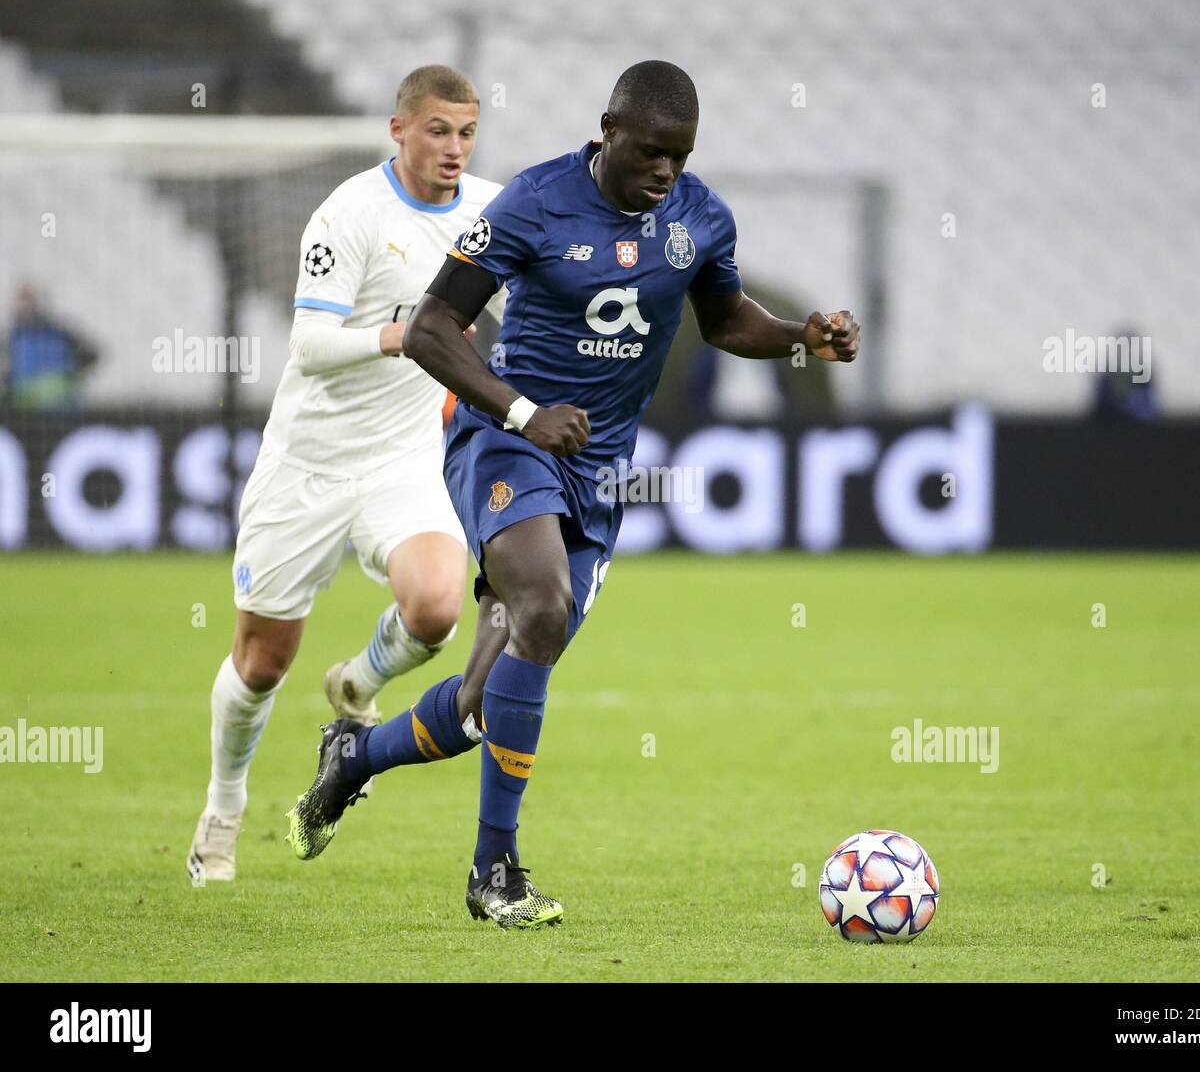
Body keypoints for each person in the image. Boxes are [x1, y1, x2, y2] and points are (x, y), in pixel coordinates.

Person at [286, 61, 858, 928]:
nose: (666, 171)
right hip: (504, 440)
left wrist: (800, 340)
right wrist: (520, 410)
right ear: (607, 131)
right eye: (652, 152)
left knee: (483, 704)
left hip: (599, 473)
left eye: (681, 155)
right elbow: (435, 329)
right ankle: (495, 875)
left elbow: (727, 320)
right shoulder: (534, 202)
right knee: (542, 612)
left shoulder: (698, 217)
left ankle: (356, 757)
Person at [186, 65, 505, 884]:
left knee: (436, 607)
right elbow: (310, 347)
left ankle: (357, 683)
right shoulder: (349, 214)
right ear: (398, 129)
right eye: (438, 131)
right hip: (309, 465)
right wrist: (408, 337)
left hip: (403, 459)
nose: (454, 149)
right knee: (260, 663)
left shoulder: (490, 211)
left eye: (467, 133)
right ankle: (224, 807)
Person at [3, 283, 98, 410]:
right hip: (27, 412)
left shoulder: (60, 332)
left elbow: (91, 354)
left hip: (62, 409)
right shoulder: (12, 338)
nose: (26, 308)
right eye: (22, 303)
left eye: (29, 302)